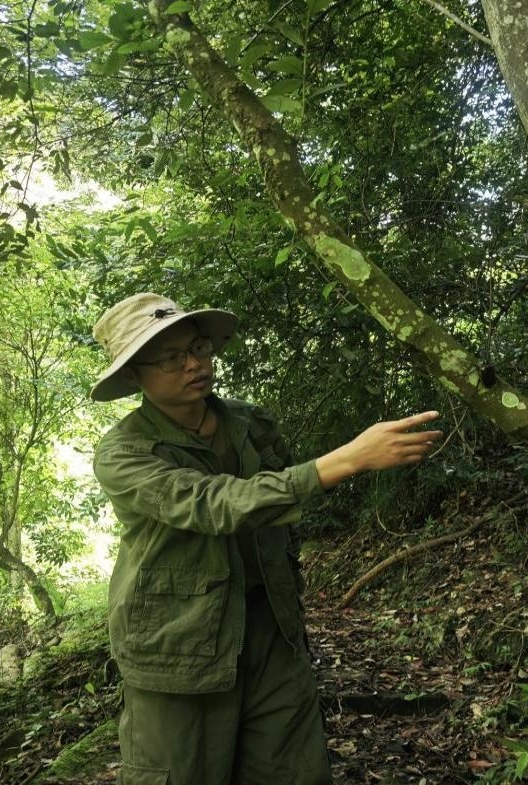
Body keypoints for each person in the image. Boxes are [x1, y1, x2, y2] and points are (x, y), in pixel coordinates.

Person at [89, 293, 442, 785]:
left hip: (271, 631)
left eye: (198, 347)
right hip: (177, 645)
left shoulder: (251, 423)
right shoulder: (123, 454)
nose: (194, 364)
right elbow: (214, 504)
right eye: (171, 357)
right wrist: (346, 460)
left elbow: (275, 509)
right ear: (135, 376)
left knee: (294, 769)